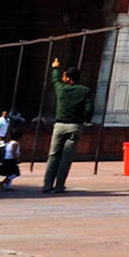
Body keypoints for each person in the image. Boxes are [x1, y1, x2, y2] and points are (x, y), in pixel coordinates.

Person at [41, 59, 95, 193]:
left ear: (68, 78)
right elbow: (89, 109)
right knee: (66, 158)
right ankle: (59, 185)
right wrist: (86, 120)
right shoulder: (84, 91)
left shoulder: (61, 88)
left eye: (64, 76)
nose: (62, 78)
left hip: (59, 126)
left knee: (53, 155)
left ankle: (47, 184)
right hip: (75, 126)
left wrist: (55, 67)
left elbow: (54, 79)